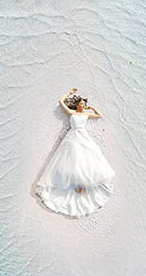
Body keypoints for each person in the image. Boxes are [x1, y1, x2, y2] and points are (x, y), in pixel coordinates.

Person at [35, 88, 115, 217]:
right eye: (81, 103)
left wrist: (91, 108)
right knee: (71, 160)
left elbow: (99, 115)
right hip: (72, 136)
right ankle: (75, 184)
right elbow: (61, 101)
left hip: (83, 136)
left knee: (84, 160)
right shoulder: (71, 112)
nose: (83, 105)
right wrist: (69, 93)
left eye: (84, 104)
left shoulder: (86, 114)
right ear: (77, 104)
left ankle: (82, 185)